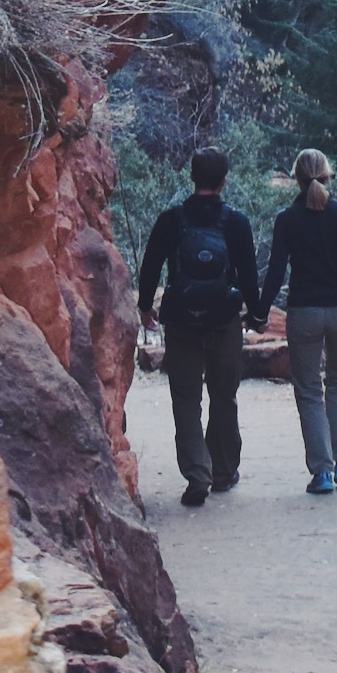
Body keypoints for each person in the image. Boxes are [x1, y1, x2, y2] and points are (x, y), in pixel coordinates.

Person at [136, 148, 264, 508]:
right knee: (224, 395)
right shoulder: (235, 223)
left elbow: (150, 266)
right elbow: (249, 276)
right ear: (224, 180)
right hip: (224, 320)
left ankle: (197, 473)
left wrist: (146, 306)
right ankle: (223, 470)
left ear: (191, 176)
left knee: (186, 399)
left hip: (181, 321)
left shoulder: (171, 220)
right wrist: (254, 314)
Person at [263, 148, 337, 498]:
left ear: (297, 180)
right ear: (329, 175)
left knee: (309, 391)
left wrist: (259, 309)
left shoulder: (287, 220)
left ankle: (322, 472)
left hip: (304, 313)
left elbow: (275, 271)